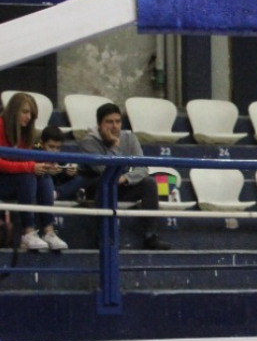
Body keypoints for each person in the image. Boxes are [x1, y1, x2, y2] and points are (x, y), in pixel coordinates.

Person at [79, 102, 171, 250]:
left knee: (149, 183)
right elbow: (104, 169)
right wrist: (115, 146)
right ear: (99, 124)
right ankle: (104, 236)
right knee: (105, 183)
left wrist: (125, 178)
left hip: (121, 184)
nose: (115, 126)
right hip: (96, 187)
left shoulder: (129, 138)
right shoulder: (88, 142)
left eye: (118, 121)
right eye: (109, 122)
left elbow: (142, 168)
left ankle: (150, 236)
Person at [0, 92, 69, 251]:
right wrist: (30, 167)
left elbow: (24, 160)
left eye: (31, 114)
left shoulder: (26, 133)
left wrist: (43, 166)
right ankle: (28, 231)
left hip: (13, 179)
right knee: (27, 176)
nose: (28, 117)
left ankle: (49, 231)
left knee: (42, 176)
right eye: (25, 112)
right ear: (14, 110)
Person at [38, 126, 90, 204]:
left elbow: (62, 178)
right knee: (45, 179)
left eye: (58, 148)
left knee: (80, 179)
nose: (55, 151)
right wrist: (46, 171)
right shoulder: (35, 154)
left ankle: (56, 194)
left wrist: (69, 174)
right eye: (51, 147)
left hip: (57, 187)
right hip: (42, 185)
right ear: (42, 144)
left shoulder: (60, 156)